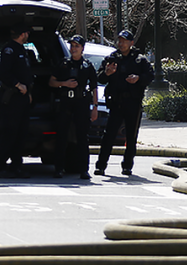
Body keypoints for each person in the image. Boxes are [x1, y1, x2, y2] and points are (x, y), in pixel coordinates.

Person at [94, 30, 154, 176]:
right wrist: (107, 73)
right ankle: (101, 166)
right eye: (119, 41)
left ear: (131, 43)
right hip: (116, 102)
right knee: (109, 135)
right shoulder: (112, 58)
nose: (121, 44)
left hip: (132, 102)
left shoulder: (140, 60)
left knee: (131, 136)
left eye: (124, 41)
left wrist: (138, 78)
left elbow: (150, 75)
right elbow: (100, 78)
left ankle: (127, 166)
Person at [49, 35, 98, 179]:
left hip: (81, 103)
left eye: (77, 46)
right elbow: (51, 82)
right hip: (66, 102)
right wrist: (64, 84)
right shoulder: (63, 64)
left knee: (82, 137)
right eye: (72, 46)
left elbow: (94, 87)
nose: (73, 48)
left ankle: (84, 169)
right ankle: (58, 168)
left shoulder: (87, 65)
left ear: (82, 48)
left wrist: (94, 107)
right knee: (62, 136)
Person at [0, 23, 33, 178]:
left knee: (21, 133)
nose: (28, 35)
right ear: (22, 34)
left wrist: (28, 91)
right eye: (26, 33)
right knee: (10, 133)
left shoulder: (22, 50)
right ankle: (0, 166)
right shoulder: (9, 50)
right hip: (12, 99)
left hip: (23, 98)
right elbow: (3, 73)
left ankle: (17, 166)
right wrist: (18, 85)